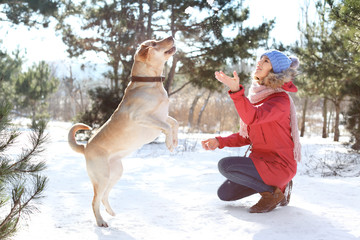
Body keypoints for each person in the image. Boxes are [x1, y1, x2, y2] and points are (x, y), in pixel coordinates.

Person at [201, 49, 301, 213]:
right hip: (260, 163)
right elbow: (246, 136)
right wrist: (219, 141)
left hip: (279, 165)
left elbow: (252, 117)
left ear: (275, 71)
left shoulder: (280, 101)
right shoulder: (258, 97)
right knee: (225, 194)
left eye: (266, 61)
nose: (260, 62)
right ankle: (278, 187)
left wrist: (236, 92)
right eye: (260, 59)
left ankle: (272, 193)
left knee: (226, 166)